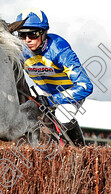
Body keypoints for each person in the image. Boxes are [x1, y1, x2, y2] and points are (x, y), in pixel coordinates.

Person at [14, 8, 93, 145]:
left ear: (44, 33)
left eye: (32, 35)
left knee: (63, 115)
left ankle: (81, 152)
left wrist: (51, 101)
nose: (27, 40)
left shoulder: (59, 51)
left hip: (70, 91)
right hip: (44, 90)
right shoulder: (20, 51)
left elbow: (85, 86)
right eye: (22, 35)